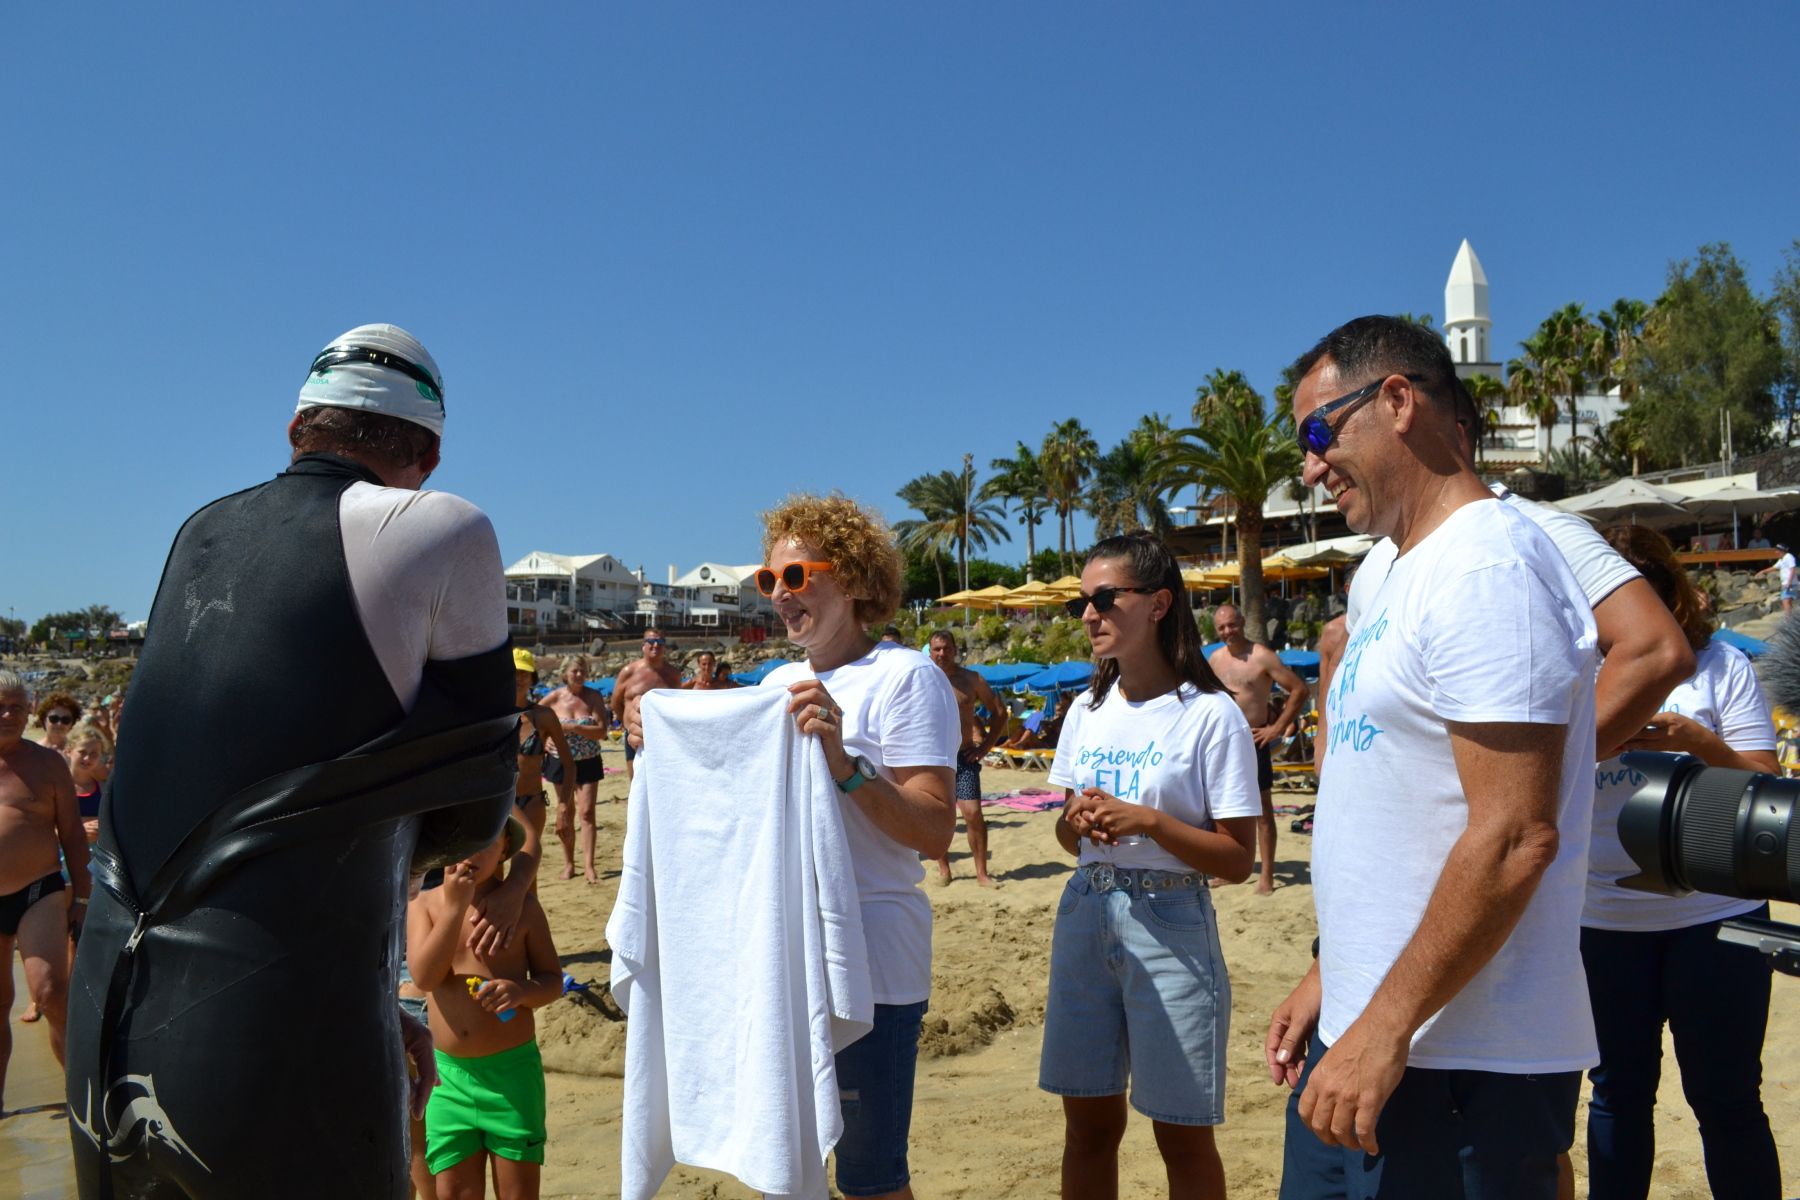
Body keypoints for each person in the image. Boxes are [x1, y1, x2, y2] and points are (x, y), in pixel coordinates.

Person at [66, 324, 517, 1199]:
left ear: (297, 430)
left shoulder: (199, 529)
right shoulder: (443, 525)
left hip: (110, 1007)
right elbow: (473, 805)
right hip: (278, 1019)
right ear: (426, 453)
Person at [1268, 315, 1601, 1198]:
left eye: (1315, 432)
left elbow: (1515, 834)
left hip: (1461, 1065)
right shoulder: (1386, 573)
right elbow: (1391, 807)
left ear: (1398, 401)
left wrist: (1383, 1026)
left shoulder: (1487, 568)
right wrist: (1329, 976)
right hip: (1369, 1034)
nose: (1307, 465)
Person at [713, 493, 957, 1200]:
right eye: (769, 581)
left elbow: (934, 827)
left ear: (850, 578)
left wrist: (844, 761)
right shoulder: (775, 682)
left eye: (795, 577)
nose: (780, 596)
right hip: (785, 955)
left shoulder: (906, 677)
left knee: (871, 1180)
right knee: (782, 1168)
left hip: (873, 958)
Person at [1039, 533, 1260, 1199]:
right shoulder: (1087, 709)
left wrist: (1150, 822)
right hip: (1086, 911)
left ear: (1160, 603)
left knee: (1182, 1135)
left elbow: (1238, 858)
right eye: (1083, 601)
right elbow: (1063, 835)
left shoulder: (1210, 715)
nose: (1088, 614)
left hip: (1171, 921)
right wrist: (1074, 822)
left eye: (1105, 598)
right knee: (1087, 1124)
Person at [1579, 524, 1782, 1199]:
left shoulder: (1720, 666)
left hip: (1717, 918)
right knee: (1616, 1095)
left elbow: (1767, 784)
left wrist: (1699, 745)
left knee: (1726, 1100)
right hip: (1604, 919)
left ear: (1673, 595)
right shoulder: (1576, 671)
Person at [408, 820, 562, 1200]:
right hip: (448, 1079)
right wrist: (455, 909)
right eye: (459, 841)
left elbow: (552, 981)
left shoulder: (522, 908)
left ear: (506, 845)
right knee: (454, 1192)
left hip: (512, 1076)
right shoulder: (426, 906)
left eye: (485, 842)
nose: (471, 853)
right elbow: (426, 977)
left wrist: (521, 991)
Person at [0, 670, 89, 1110]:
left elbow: (72, 834)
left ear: (29, 709)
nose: (8, 714)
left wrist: (85, 898)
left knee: (51, 990)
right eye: (1, 705)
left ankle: (81, 1096)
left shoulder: (48, 764)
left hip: (39, 889)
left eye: (17, 705)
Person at [1208, 604, 1310, 894]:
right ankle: (1228, 868)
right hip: (1223, 742)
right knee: (1223, 808)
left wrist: (1277, 728)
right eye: (1222, 628)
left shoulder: (1262, 656)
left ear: (1241, 622)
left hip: (1254, 741)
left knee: (1263, 810)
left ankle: (1266, 874)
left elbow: (1299, 690)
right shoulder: (1215, 659)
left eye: (1232, 625)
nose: (1228, 632)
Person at [925, 631, 1007, 886]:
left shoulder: (971, 679)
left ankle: (982, 873)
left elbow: (1000, 712)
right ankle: (944, 870)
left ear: (955, 649)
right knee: (937, 815)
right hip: (934, 759)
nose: (942, 654)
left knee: (972, 814)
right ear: (929, 652)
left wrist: (986, 748)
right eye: (937, 649)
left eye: (946, 648)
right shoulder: (922, 679)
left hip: (964, 757)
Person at [540, 656, 608, 884]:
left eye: (583, 671)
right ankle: (569, 863)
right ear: (565, 673)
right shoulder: (554, 697)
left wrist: (576, 727)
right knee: (565, 813)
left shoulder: (594, 696)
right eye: (575, 671)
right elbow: (532, 720)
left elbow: (601, 731)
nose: (579, 675)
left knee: (587, 812)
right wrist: (544, 740)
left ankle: (589, 865)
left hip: (588, 760)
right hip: (560, 761)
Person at [612, 629, 684, 779]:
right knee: (637, 783)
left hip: (664, 736)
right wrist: (627, 723)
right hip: (634, 736)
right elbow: (616, 703)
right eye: (651, 641)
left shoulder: (673, 675)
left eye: (660, 642)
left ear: (665, 646)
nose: (655, 645)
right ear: (643, 646)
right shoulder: (628, 672)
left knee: (664, 781)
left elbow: (679, 705)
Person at [33, 692, 82, 758]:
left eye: (65, 720)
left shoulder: (79, 751)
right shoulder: (33, 750)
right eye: (54, 719)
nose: (59, 724)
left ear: (72, 724)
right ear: (44, 720)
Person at [1754, 543, 1795, 614]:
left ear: (1781, 550)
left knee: (1785, 601)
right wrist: (1762, 571)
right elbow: (1774, 567)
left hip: (1789, 583)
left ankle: (1788, 620)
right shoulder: (1781, 559)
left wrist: (1789, 582)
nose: (1776, 552)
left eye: (1777, 550)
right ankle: (1792, 619)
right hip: (1787, 583)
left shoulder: (1789, 556)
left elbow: (1793, 569)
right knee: (1788, 602)